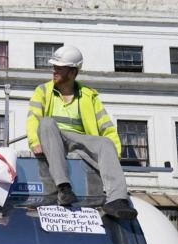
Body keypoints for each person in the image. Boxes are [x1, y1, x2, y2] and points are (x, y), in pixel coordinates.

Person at [25, 44, 139, 220]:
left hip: (80, 142)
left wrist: (112, 156)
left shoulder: (89, 96)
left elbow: (106, 127)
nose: (54, 71)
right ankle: (64, 188)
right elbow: (33, 118)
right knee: (47, 123)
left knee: (106, 143)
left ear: (72, 72)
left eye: (59, 68)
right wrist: (34, 141)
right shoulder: (43, 91)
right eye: (53, 67)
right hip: (52, 138)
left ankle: (117, 200)